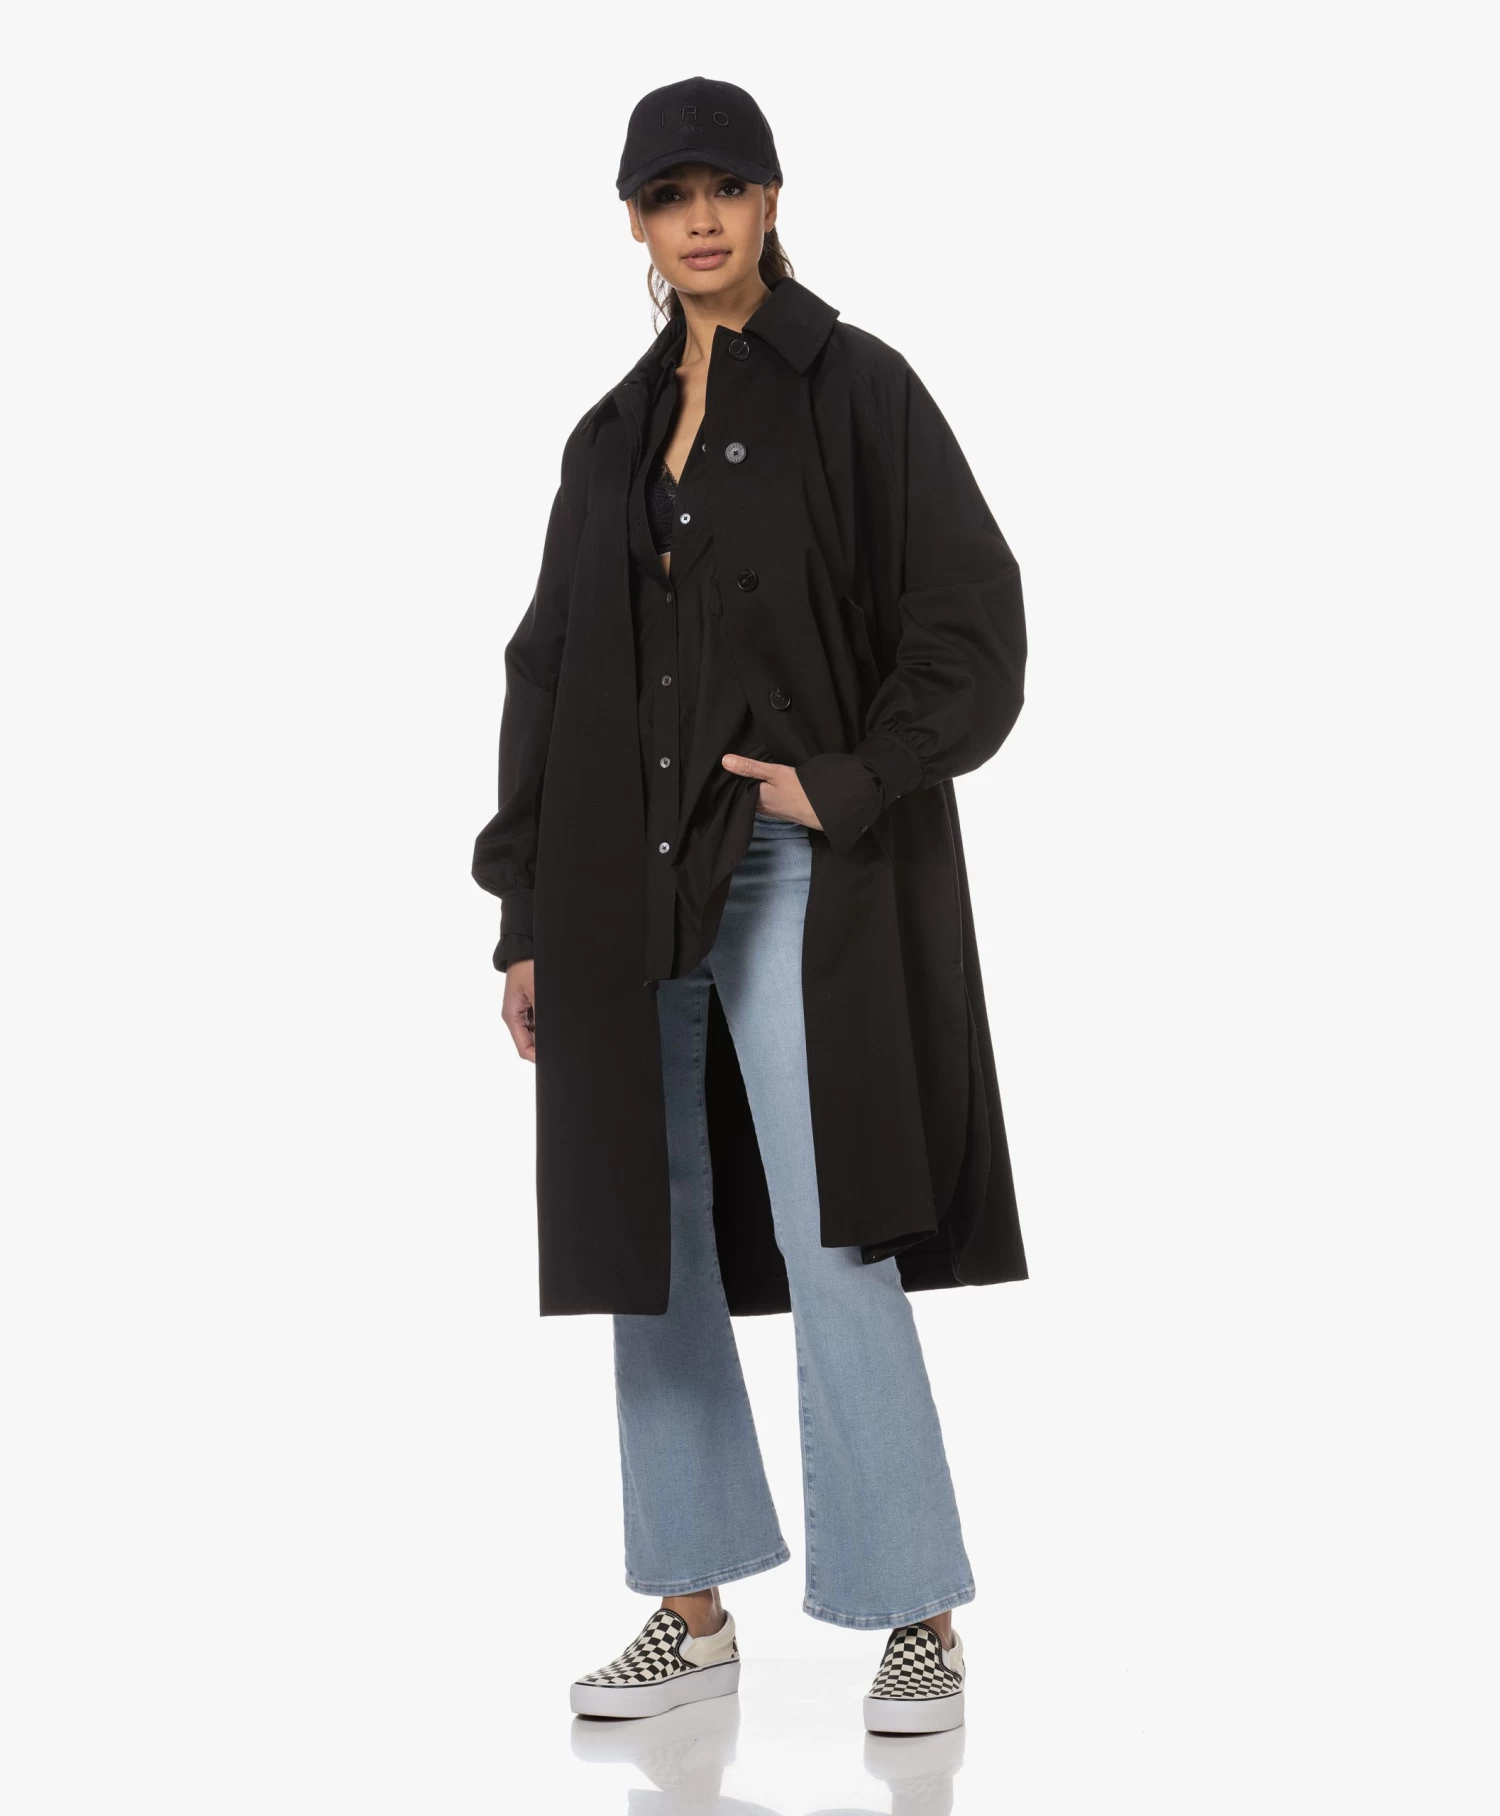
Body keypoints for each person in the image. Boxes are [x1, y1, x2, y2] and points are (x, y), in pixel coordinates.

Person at [471, 76, 1029, 1736]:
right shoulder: (610, 434)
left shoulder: (859, 391)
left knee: (833, 1221)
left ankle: (915, 1614)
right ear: (635, 225)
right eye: (669, 196)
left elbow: (974, 626)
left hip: (791, 863)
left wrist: (841, 780)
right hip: (617, 882)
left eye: (725, 187)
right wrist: (524, 912)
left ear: (772, 200)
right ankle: (692, 1607)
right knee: (644, 1248)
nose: (700, 219)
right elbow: (548, 668)